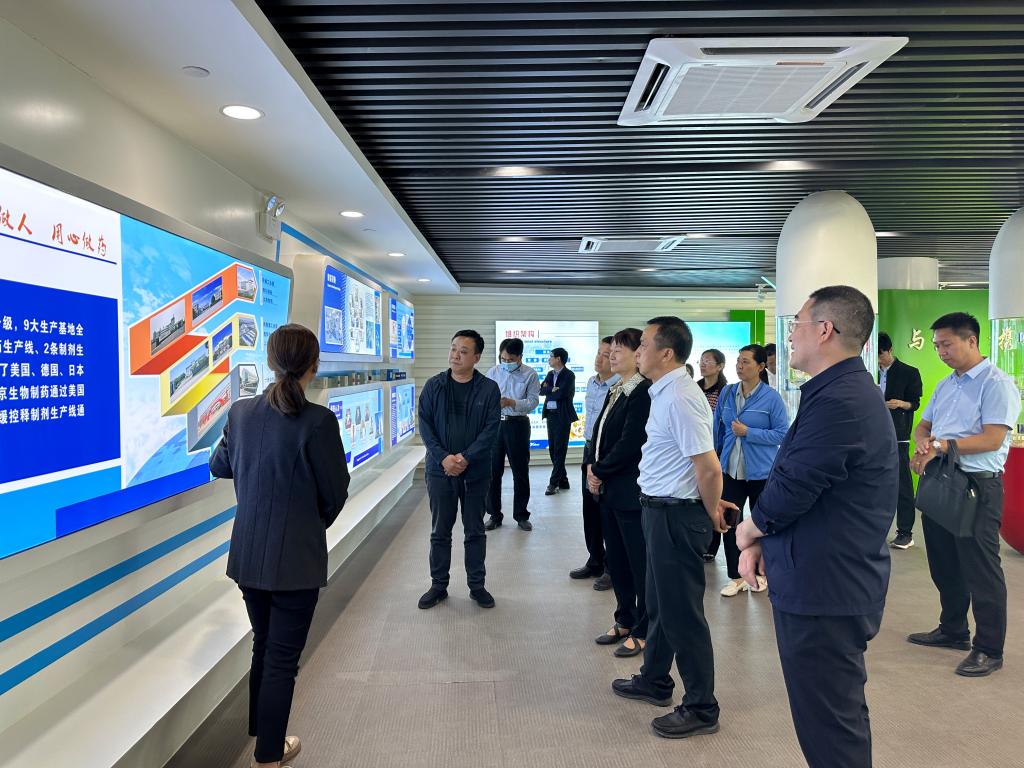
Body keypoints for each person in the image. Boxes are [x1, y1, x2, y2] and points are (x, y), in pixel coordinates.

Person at [735, 285, 897, 768]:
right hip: (820, 577)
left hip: (826, 587)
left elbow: (796, 484)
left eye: (796, 325)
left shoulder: (841, 400)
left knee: (831, 724)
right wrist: (765, 539)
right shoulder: (834, 391)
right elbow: (799, 476)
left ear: (825, 330)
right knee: (829, 715)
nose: (789, 336)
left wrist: (752, 528)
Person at [210, 324, 350, 768]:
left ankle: (262, 730)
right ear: (314, 365)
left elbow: (219, 465)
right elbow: (335, 492)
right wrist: (309, 524)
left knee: (264, 643)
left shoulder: (240, 413)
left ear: (271, 363)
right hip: (295, 562)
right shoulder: (318, 421)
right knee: (282, 659)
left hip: (248, 554)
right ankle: (269, 754)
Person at [611, 316, 731, 741]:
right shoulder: (662, 391)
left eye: (643, 344)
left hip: (677, 515)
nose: (636, 351)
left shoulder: (680, 396)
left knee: (683, 614)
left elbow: (709, 467)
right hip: (659, 510)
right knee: (660, 603)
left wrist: (711, 510)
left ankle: (701, 707)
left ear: (666, 353)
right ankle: (655, 679)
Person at [908, 312, 1019, 677]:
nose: (941, 352)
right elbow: (925, 423)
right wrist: (923, 443)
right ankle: (953, 629)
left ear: (971, 340)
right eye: (937, 346)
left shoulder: (996, 383)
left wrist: (940, 445)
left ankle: (989, 649)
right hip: (942, 479)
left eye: (947, 344)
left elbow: (992, 438)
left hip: (977, 486)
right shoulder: (946, 385)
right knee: (943, 561)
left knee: (981, 568)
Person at [417, 330, 501, 610]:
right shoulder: (434, 386)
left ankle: (477, 586)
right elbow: (426, 426)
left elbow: (491, 430)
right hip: (439, 470)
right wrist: (444, 458)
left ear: (476, 357)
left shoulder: (489, 389)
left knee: (475, 530)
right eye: (453, 348)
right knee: (440, 531)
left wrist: (465, 457)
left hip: (476, 472)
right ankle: (438, 585)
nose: (455, 355)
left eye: (463, 351)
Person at [587, 328, 651, 657]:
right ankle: (624, 618)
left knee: (638, 563)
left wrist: (599, 470)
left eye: (618, 350)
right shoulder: (617, 389)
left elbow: (631, 444)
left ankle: (644, 628)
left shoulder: (642, 392)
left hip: (630, 491)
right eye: (610, 350)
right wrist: (592, 466)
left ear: (638, 354)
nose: (611, 355)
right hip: (611, 490)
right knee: (617, 560)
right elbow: (600, 434)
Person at [708, 344, 789, 594]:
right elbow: (718, 428)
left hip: (761, 473)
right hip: (730, 470)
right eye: (738, 361)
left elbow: (782, 434)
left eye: (746, 362)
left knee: (762, 522)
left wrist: (749, 433)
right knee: (730, 521)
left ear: (761, 366)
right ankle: (737, 577)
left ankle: (763, 572)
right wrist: (715, 456)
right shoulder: (727, 393)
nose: (739, 366)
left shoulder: (771, 398)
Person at [571, 336, 618, 587]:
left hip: (608, 452)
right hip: (589, 448)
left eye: (606, 355)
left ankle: (612, 567)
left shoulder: (620, 387)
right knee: (589, 507)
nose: (599, 359)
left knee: (607, 510)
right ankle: (595, 559)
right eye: (598, 353)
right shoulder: (592, 382)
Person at [485, 337, 540, 532]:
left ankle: (521, 515)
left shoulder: (530, 374)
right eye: (503, 359)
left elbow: (533, 402)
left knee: (520, 471)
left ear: (520, 357)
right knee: (492, 472)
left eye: (510, 360)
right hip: (495, 425)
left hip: (518, 425)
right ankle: (494, 515)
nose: (506, 363)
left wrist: (512, 403)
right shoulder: (492, 372)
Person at [878, 331, 923, 549]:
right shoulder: (868, 372)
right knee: (873, 484)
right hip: (873, 434)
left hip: (898, 435)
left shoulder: (909, 372)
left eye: (881, 355)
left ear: (890, 350)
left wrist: (901, 404)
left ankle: (905, 532)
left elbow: (915, 403)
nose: (879, 360)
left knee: (902, 485)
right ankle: (875, 530)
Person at [540, 347, 578, 495]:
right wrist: (552, 389)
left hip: (562, 416)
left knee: (560, 450)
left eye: (551, 356)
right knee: (552, 450)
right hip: (550, 415)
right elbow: (541, 390)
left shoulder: (569, 375)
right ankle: (563, 480)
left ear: (558, 359)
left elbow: (562, 394)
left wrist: (551, 390)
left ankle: (553, 483)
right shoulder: (550, 374)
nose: (549, 359)